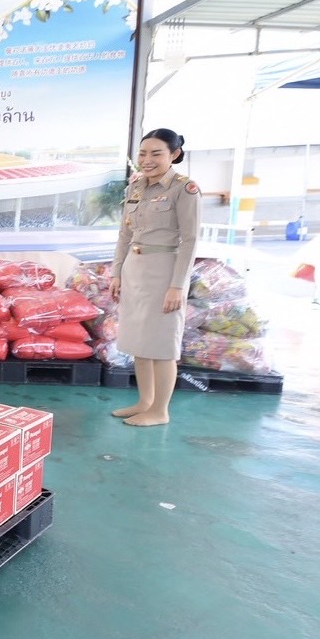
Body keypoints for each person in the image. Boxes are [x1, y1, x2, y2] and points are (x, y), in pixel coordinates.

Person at [109, 128, 202, 427]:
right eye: (143, 153)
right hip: (135, 270)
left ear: (174, 154)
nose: (147, 160)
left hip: (165, 271)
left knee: (162, 344)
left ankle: (160, 410)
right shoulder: (136, 187)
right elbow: (125, 235)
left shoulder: (184, 189)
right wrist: (116, 273)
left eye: (156, 153)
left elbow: (190, 240)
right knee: (140, 340)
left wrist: (178, 286)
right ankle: (145, 402)